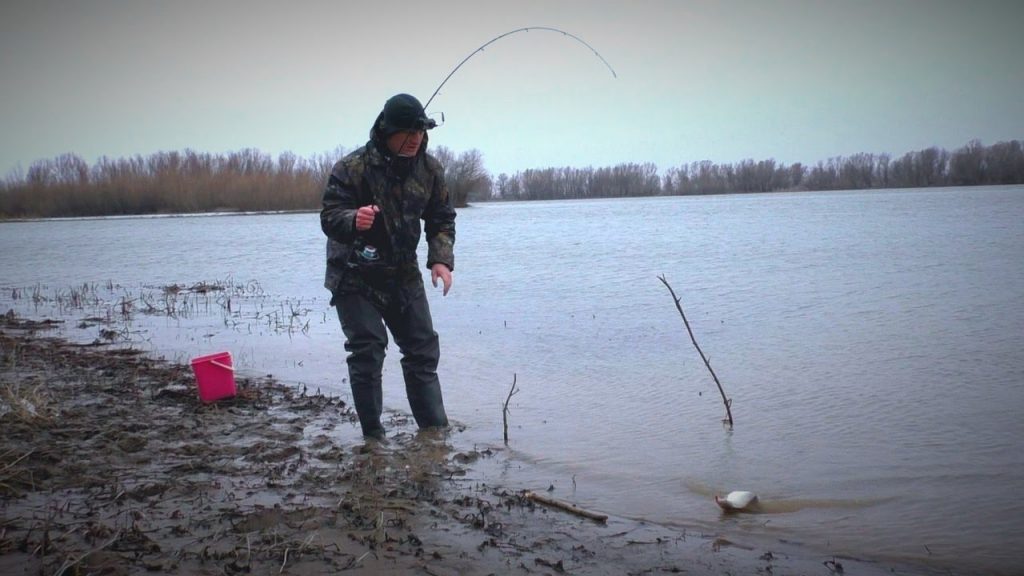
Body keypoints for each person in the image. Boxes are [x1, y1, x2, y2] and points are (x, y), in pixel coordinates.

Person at [320, 93, 456, 441]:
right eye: (408, 132)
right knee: (368, 348)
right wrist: (354, 219)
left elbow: (441, 218)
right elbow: (330, 217)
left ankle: (435, 434)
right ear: (387, 131)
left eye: (421, 132)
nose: (415, 139)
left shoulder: (430, 170)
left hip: (403, 272)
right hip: (354, 272)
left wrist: (440, 260)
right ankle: (373, 438)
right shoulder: (352, 168)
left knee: (422, 349)